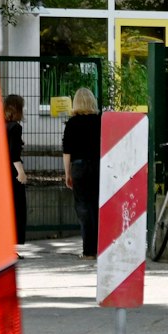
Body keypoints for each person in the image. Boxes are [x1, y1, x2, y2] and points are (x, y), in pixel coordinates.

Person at [60, 87, 102, 257]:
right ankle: (100, 248)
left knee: (83, 209)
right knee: (97, 206)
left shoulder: (72, 123)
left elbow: (67, 151)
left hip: (79, 167)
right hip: (99, 166)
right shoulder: (100, 121)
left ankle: (88, 250)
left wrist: (67, 173)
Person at [4, 93, 28, 247]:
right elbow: (13, 154)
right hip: (11, 173)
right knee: (16, 209)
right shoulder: (15, 127)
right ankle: (12, 245)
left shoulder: (0, 124)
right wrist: (21, 172)